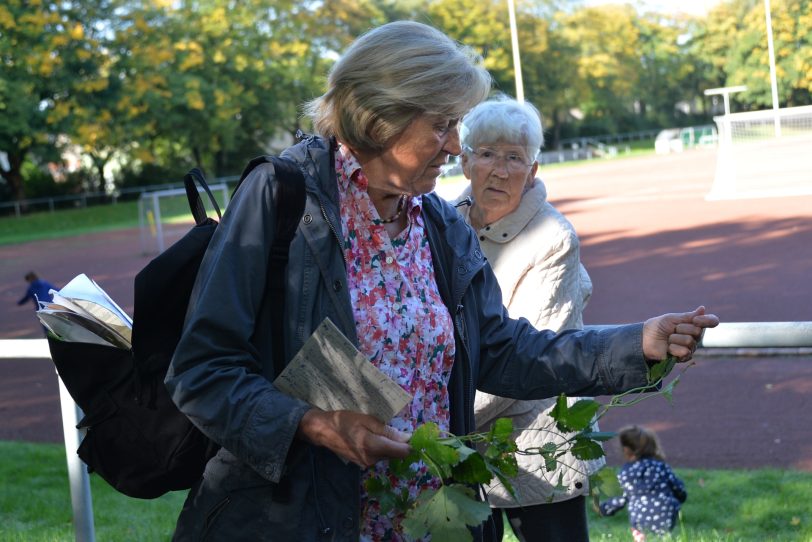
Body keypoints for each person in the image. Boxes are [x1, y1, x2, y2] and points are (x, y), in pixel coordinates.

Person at [164, 20, 718, 542]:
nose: (456, 146)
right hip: (300, 521)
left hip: (426, 522)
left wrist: (634, 343)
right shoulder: (280, 196)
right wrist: (313, 423)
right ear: (381, 115)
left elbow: (501, 350)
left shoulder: (437, 220)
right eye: (442, 124)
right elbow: (202, 370)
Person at [455, 97, 602, 542]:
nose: (499, 170)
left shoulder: (553, 237)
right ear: (464, 163)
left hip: (537, 441)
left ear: (533, 170)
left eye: (514, 158)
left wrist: (437, 420)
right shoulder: (441, 219)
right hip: (460, 437)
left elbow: (526, 357)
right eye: (486, 154)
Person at [599, 425, 687, 541]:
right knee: (662, 538)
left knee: (642, 538)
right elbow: (678, 487)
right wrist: (680, 497)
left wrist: (604, 508)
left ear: (626, 449)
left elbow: (623, 497)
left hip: (640, 517)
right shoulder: (661, 466)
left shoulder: (627, 471)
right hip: (666, 512)